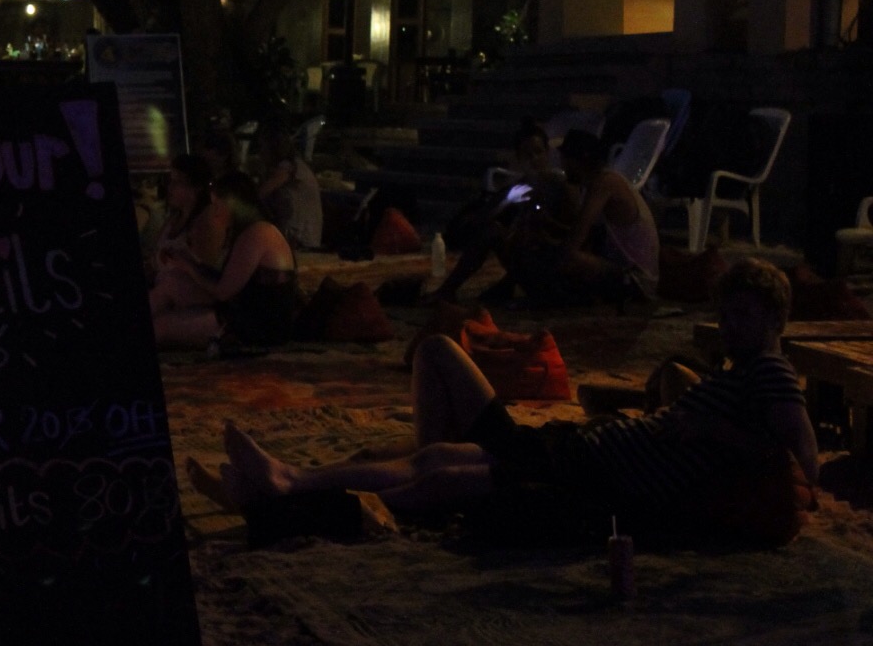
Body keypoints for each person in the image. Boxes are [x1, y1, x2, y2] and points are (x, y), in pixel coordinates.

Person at [189, 259, 817, 540]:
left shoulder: (771, 372)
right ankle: (289, 483)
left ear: (773, 320)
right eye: (726, 314)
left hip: (599, 474)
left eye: (742, 316)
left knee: (436, 476)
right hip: (590, 451)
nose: (728, 327)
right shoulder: (740, 372)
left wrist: (710, 433)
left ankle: (285, 497)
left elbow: (804, 466)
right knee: (435, 461)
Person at [428, 118, 577, 303]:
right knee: (493, 231)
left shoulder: (561, 185)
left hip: (554, 266)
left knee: (508, 234)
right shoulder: (520, 187)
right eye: (527, 155)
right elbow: (479, 221)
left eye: (538, 152)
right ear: (519, 158)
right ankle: (450, 290)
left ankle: (505, 286)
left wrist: (544, 222)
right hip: (529, 261)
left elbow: (574, 234)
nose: (534, 160)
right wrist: (506, 201)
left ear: (547, 152)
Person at [502, 128, 658, 306]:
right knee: (542, 251)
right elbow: (588, 236)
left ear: (579, 160)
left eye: (565, 160)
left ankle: (549, 299)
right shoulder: (591, 184)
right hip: (618, 267)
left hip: (635, 279)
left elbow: (575, 240)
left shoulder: (604, 183)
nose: (563, 166)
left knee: (564, 259)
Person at [152, 172, 301, 348]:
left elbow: (223, 292)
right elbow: (230, 279)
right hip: (240, 308)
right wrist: (188, 263)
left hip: (256, 325)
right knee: (172, 282)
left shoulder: (258, 233)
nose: (214, 213)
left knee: (160, 326)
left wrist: (190, 268)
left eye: (217, 205)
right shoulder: (247, 231)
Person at [147, 155, 226, 294]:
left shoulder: (206, 221)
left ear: (197, 187)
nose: (170, 188)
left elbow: (209, 273)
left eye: (177, 182)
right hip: (162, 290)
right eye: (170, 181)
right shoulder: (174, 218)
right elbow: (155, 255)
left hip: (188, 296)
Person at [256, 125, 323, 251]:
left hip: (300, 238)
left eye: (261, 146)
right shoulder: (293, 165)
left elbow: (261, 194)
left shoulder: (287, 168)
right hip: (300, 235)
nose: (259, 152)